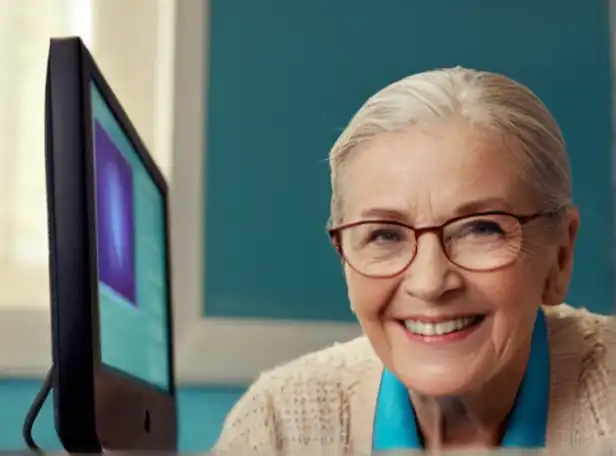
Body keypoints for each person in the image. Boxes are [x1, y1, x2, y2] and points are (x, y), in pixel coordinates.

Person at [213, 67, 615, 452]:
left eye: (480, 229)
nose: (430, 283)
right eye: (385, 234)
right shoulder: (280, 425)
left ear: (559, 256)